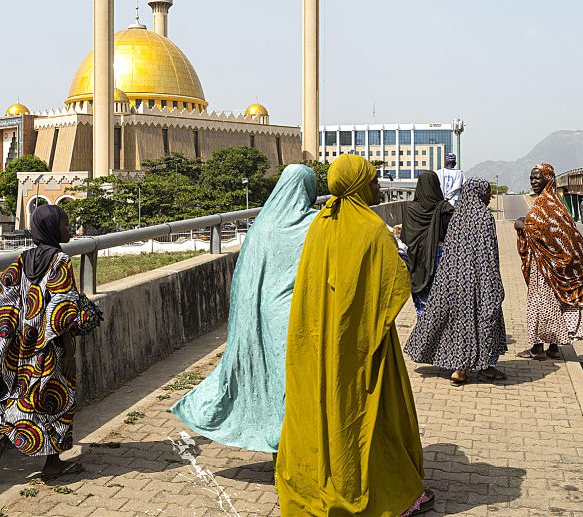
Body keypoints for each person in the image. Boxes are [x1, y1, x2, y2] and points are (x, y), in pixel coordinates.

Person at [277, 154, 433, 516]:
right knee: (373, 416)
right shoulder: (371, 229)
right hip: (366, 345)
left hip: (323, 342)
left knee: (329, 408)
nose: (378, 186)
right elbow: (394, 286)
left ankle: (321, 482)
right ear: (360, 186)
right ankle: (386, 491)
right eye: (374, 180)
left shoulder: (320, 224)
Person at [170, 165, 318, 454]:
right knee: (295, 378)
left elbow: (245, 278)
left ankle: (281, 436)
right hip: (296, 313)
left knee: (273, 375)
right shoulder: (313, 224)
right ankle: (290, 439)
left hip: (264, 312)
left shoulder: (263, 224)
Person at [0, 205, 101, 480]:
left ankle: (4, 448)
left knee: (28, 396)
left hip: (23, 346)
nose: (69, 229)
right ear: (50, 228)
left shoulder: (25, 259)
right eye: (64, 224)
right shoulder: (60, 261)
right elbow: (63, 313)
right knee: (55, 401)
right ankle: (39, 459)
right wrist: (70, 354)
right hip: (50, 346)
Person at [404, 178, 507, 385]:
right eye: (487, 193)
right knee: (485, 320)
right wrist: (493, 282)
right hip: (478, 279)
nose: (489, 197)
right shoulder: (484, 216)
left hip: (453, 280)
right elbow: (488, 252)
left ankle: (460, 369)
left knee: (460, 323)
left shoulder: (458, 216)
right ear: (478, 193)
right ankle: (486, 367)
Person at [514, 163, 583, 360]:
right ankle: (553, 347)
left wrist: (520, 225)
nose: (533, 181)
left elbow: (539, 229)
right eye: (531, 178)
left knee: (539, 302)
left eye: (537, 178)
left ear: (548, 179)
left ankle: (537, 349)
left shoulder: (545, 203)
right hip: (553, 264)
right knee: (554, 302)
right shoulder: (557, 203)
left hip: (544, 266)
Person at [401, 172, 454, 317]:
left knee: (422, 310)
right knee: (443, 308)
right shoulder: (445, 209)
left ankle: (424, 336)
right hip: (441, 261)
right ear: (437, 186)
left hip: (417, 265)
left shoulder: (411, 210)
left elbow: (405, 240)